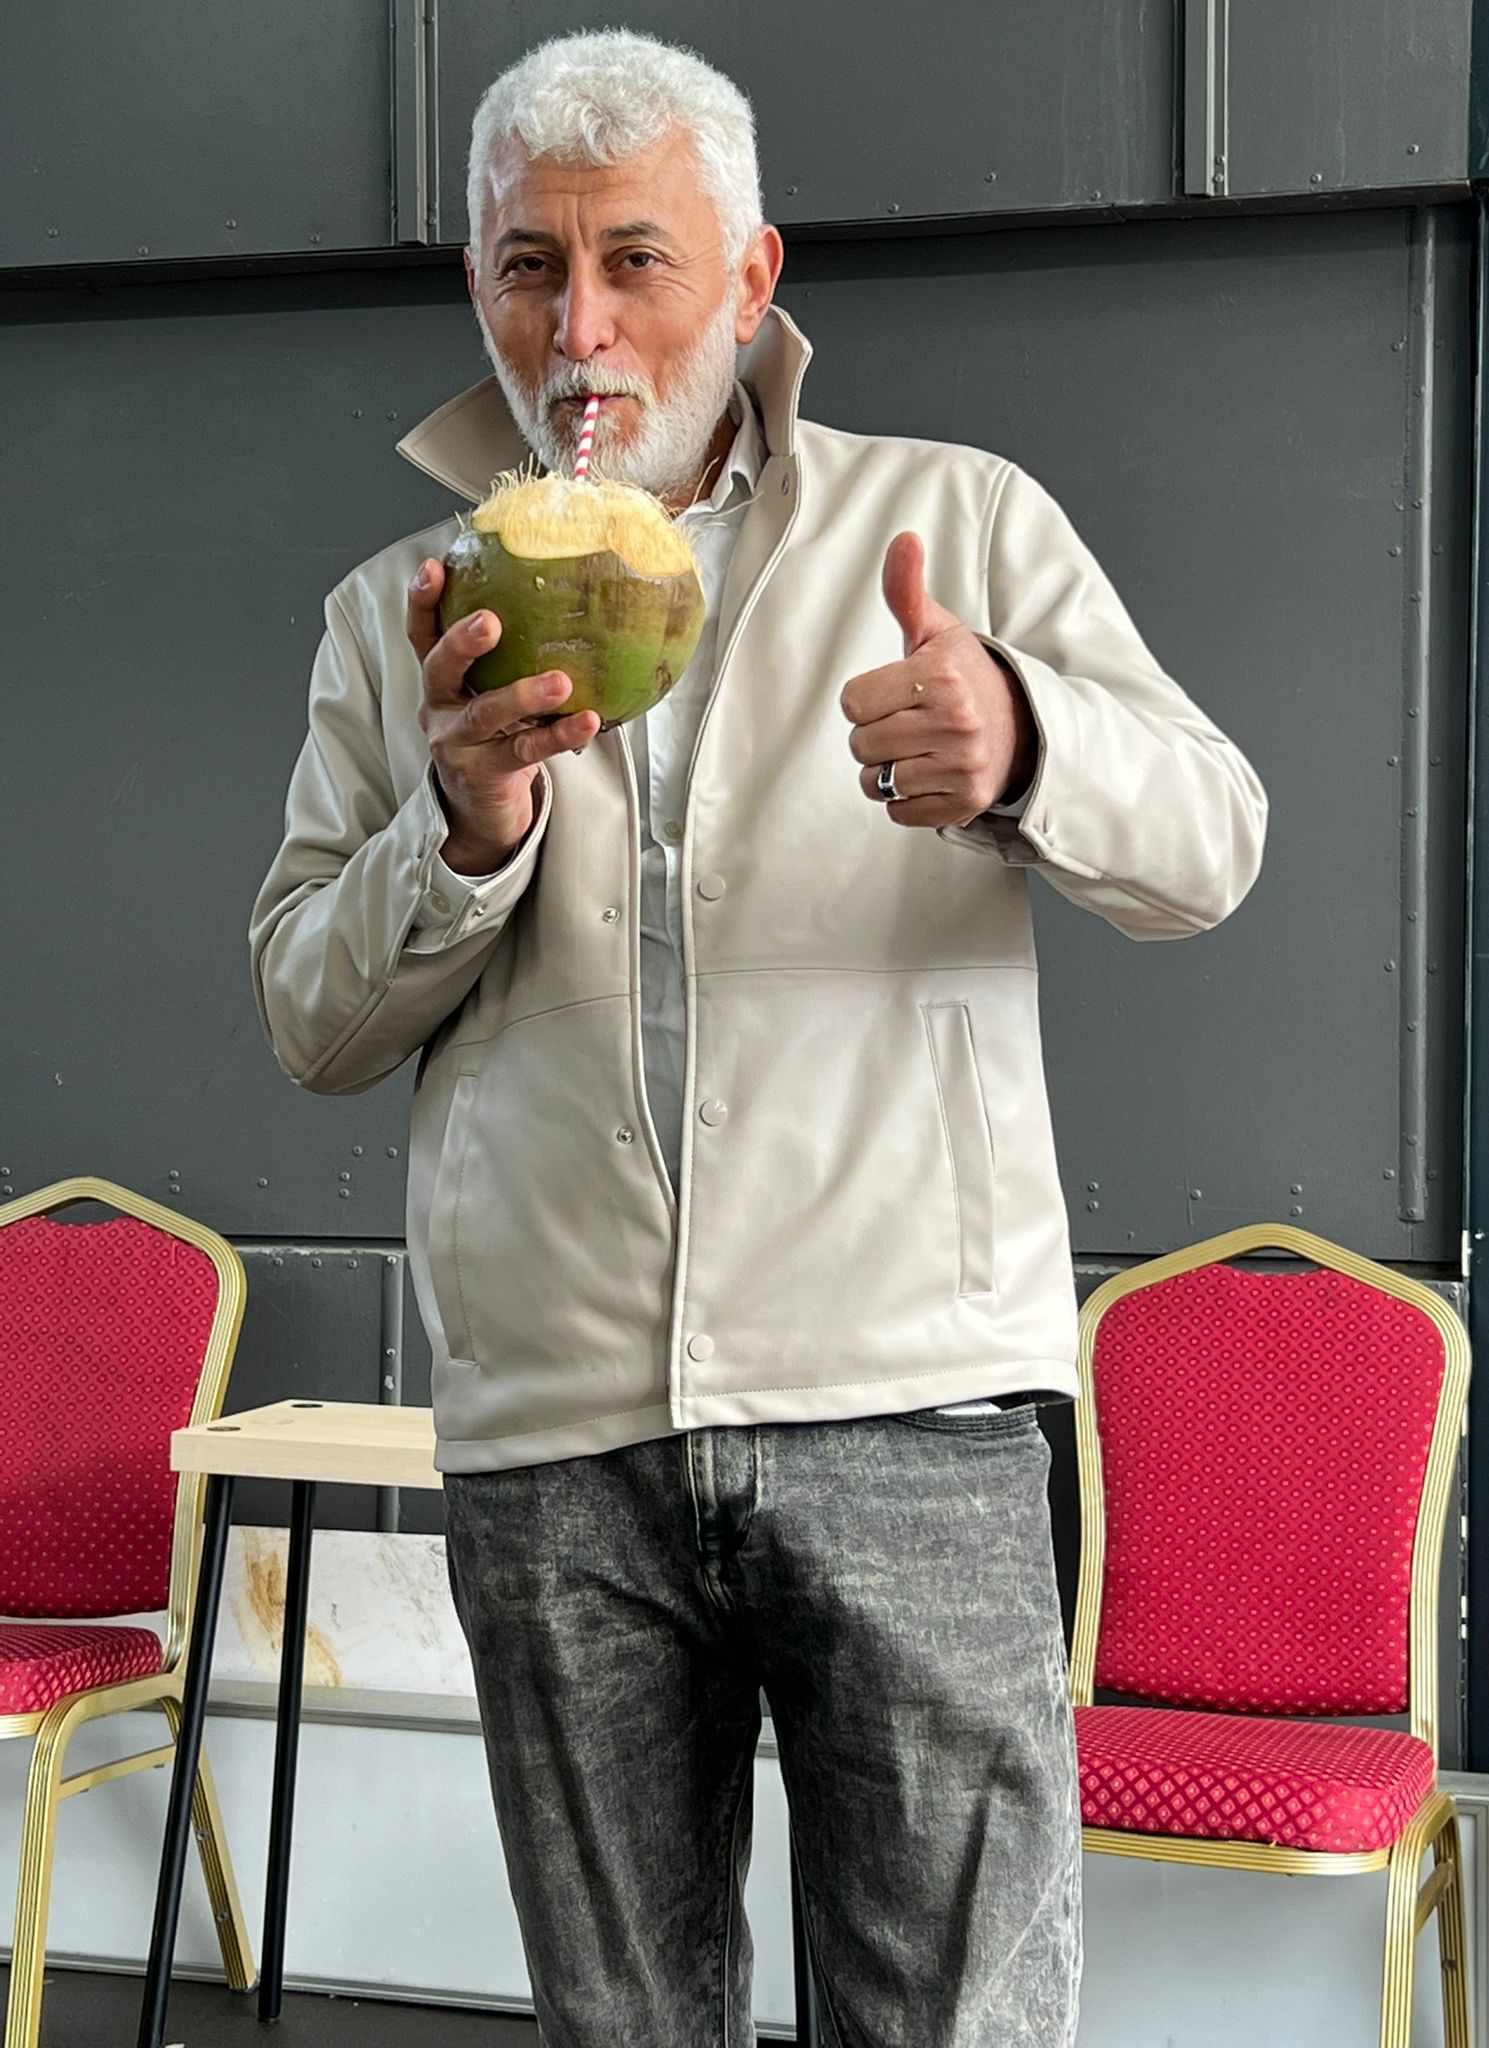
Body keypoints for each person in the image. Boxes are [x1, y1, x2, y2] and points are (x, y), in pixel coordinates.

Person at [250, 27, 1267, 2048]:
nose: (581, 323)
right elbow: (307, 1011)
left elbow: (1212, 840)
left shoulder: (953, 525)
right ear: (480, 284)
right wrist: (460, 831)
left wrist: (1024, 742)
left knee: (953, 2023)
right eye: (529, 267)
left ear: (752, 277)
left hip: (912, 1406)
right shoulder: (404, 616)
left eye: (637, 258)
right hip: (558, 1443)